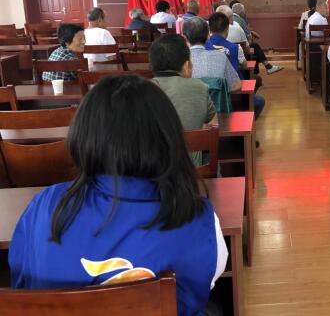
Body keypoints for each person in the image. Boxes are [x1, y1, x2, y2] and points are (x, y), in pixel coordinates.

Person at [9, 74, 228, 315]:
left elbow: (21, 285)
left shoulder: (43, 207)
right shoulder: (199, 220)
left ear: (83, 134)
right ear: (168, 138)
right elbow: (203, 285)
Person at [150, 35, 217, 165]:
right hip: (192, 170)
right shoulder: (199, 87)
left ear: (152, 66)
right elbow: (214, 126)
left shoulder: (142, 90)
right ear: (186, 66)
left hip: (152, 171)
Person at [206, 12, 265, 119]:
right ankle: (246, 121)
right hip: (234, 92)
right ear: (227, 29)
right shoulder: (235, 47)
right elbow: (244, 65)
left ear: (209, 29)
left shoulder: (203, 48)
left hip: (209, 96)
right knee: (260, 101)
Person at [183, 17, 242, 92]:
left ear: (184, 38)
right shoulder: (221, 56)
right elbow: (236, 85)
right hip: (216, 99)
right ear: (208, 36)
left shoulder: (179, 61)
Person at [231, 2, 283, 75]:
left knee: (254, 49)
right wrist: (250, 38)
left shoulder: (228, 19)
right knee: (255, 46)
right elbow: (249, 36)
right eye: (244, 11)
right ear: (241, 12)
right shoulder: (241, 20)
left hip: (229, 48)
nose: (244, 12)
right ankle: (266, 67)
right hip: (240, 49)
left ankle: (265, 68)